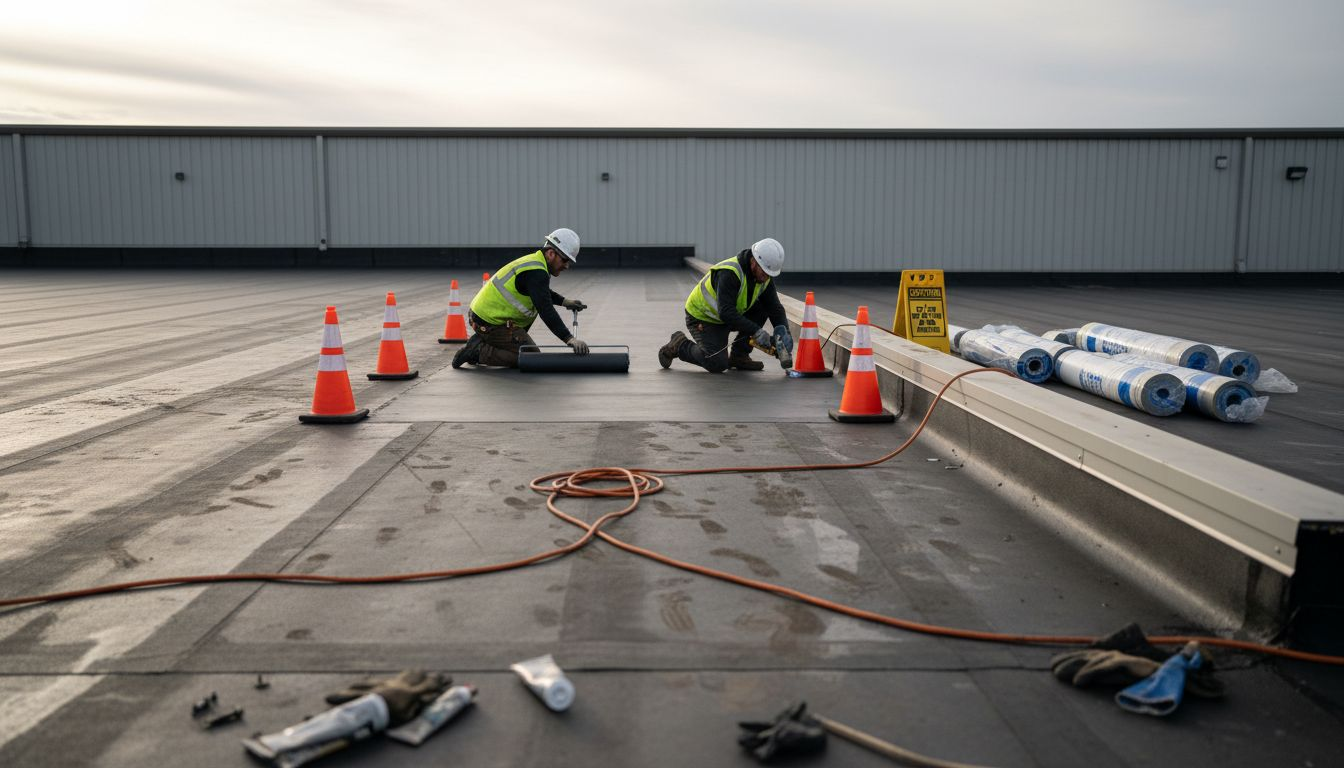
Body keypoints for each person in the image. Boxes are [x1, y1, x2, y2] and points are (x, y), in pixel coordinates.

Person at [453, 228, 589, 369]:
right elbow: (546, 310)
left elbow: (540, 292)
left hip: (485, 317)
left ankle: (485, 341)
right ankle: (477, 351)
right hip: (489, 322)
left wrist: (564, 302)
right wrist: (569, 339)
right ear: (551, 253)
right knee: (530, 358)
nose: (567, 266)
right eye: (565, 260)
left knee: (528, 355)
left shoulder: (536, 264)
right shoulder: (537, 272)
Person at [659, 237, 792, 373]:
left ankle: (739, 355)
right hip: (703, 317)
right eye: (764, 273)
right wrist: (757, 332)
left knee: (763, 307)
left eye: (769, 275)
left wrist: (784, 332)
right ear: (754, 261)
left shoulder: (764, 278)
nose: (766, 278)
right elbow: (726, 312)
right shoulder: (730, 273)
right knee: (717, 362)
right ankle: (679, 344)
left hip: (727, 315)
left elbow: (775, 308)